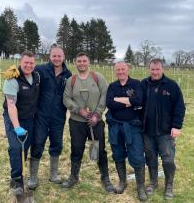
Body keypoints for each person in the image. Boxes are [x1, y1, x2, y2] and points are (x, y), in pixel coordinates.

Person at [62, 52, 115, 193]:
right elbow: (66, 98)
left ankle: (105, 178)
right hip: (76, 123)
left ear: (88, 62)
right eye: (79, 61)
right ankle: (74, 177)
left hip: (96, 122)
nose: (81, 63)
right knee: (76, 149)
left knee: (99, 150)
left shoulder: (98, 78)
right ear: (75, 63)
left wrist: (97, 114)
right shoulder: (71, 81)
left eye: (84, 61)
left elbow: (105, 95)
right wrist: (79, 110)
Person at [141, 58, 186, 200]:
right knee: (150, 158)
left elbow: (180, 107)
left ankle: (169, 185)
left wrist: (177, 126)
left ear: (163, 69)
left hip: (165, 132)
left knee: (168, 159)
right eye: (152, 69)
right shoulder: (144, 84)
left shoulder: (171, 86)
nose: (155, 72)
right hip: (147, 131)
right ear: (149, 69)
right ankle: (153, 182)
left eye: (157, 69)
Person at [28, 45, 71, 190]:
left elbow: (71, 95)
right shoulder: (40, 70)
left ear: (63, 57)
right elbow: (26, 74)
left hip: (59, 116)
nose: (57, 58)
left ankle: (53, 174)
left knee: (57, 144)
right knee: (38, 142)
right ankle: (33, 177)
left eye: (59, 56)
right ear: (50, 56)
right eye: (54, 56)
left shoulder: (68, 75)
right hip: (41, 115)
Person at [105, 61, 147, 201]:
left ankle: (140, 187)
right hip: (115, 126)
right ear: (115, 71)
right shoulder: (112, 86)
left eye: (123, 69)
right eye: (118, 70)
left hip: (133, 126)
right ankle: (122, 181)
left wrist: (119, 100)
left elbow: (139, 100)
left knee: (137, 155)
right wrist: (128, 102)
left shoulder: (136, 84)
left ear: (128, 69)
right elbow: (110, 103)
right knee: (118, 154)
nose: (121, 72)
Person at [2, 51, 40, 197]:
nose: (29, 65)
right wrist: (17, 127)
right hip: (13, 118)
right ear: (20, 62)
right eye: (26, 62)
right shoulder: (12, 79)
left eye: (31, 63)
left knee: (25, 148)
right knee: (16, 147)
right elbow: (11, 106)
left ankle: (16, 174)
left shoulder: (36, 76)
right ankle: (18, 180)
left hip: (29, 118)